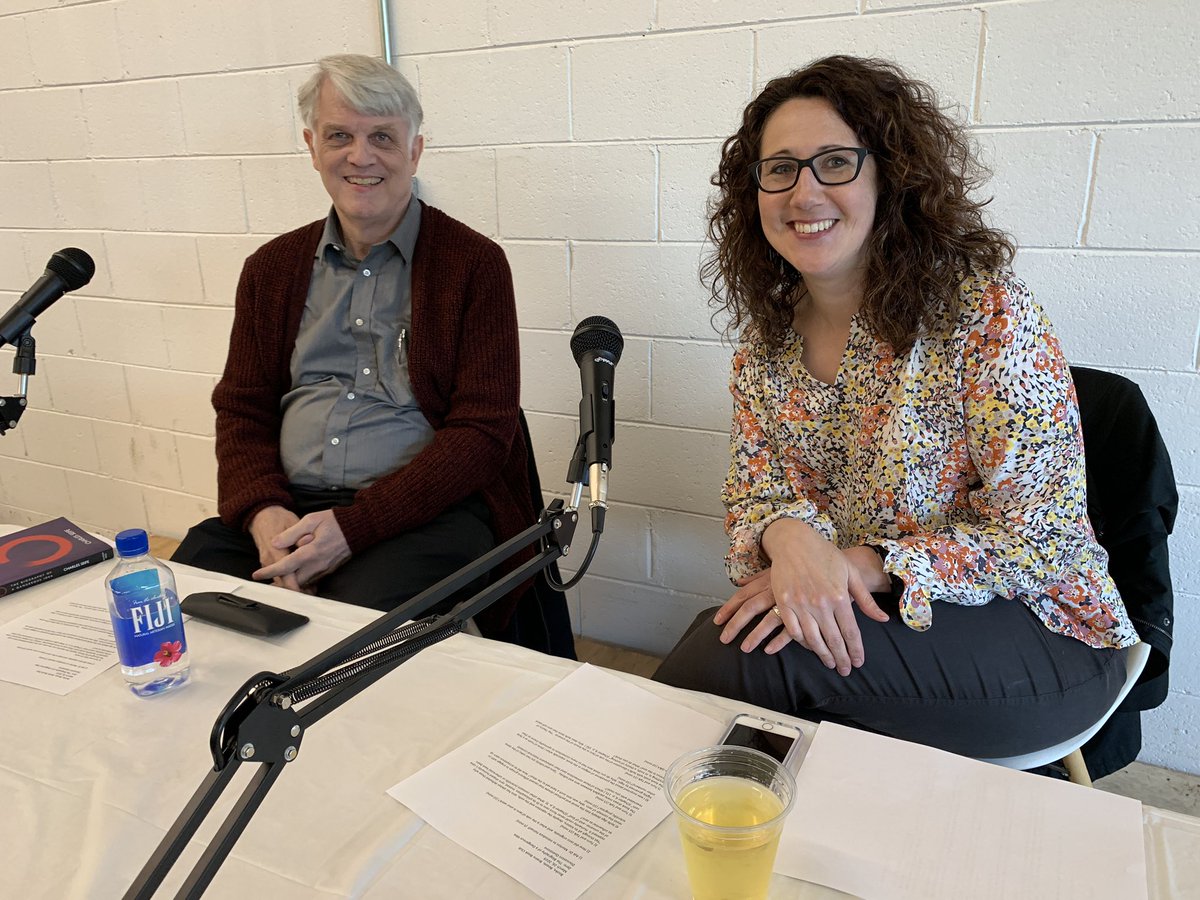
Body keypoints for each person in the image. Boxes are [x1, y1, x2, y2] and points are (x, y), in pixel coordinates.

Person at [652, 55, 1139, 759]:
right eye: (780, 169)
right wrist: (788, 539)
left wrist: (865, 564)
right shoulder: (766, 345)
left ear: (892, 176)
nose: (804, 192)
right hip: (884, 619)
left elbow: (1045, 536)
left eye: (835, 163)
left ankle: (625, 799)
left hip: (1042, 634)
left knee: (744, 659)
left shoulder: (985, 315)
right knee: (728, 637)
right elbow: (755, 493)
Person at [173, 54, 535, 635]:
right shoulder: (270, 269)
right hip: (289, 506)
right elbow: (242, 409)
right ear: (312, 147)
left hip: (423, 514)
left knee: (344, 633)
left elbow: (483, 433)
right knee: (186, 597)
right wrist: (265, 514)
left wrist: (352, 529)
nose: (360, 156)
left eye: (382, 137)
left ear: (415, 151)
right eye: (339, 135)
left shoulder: (474, 265)